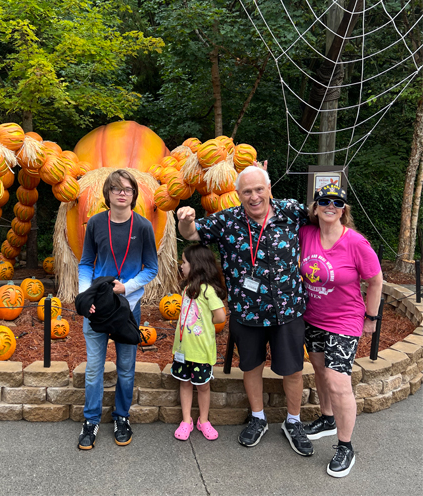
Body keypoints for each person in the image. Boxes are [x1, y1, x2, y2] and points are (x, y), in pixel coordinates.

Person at [177, 165, 314, 456]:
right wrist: (185, 220)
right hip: (247, 311)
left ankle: (293, 421)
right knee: (251, 366)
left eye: (259, 189)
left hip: (287, 310)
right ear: (238, 194)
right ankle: (258, 418)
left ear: (269, 189)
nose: (254, 196)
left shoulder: (290, 211)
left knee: (292, 370)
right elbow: (191, 234)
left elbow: (324, 215)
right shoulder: (227, 221)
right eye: (247, 191)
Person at [299, 184, 382, 477]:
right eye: (324, 201)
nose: (330, 206)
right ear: (316, 206)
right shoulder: (306, 233)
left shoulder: (356, 242)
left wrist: (371, 318)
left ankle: (345, 446)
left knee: (338, 381)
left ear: (344, 209)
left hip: (345, 321)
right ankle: (327, 419)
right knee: (320, 370)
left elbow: (375, 281)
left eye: (337, 202)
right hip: (314, 317)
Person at [77, 169, 158, 450]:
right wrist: (85, 295)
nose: (122, 193)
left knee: (125, 369)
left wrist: (128, 287)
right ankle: (91, 421)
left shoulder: (144, 227)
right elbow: (86, 262)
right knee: (94, 369)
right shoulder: (96, 223)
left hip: (128, 307)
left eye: (127, 189)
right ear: (108, 194)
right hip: (98, 306)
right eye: (116, 189)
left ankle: (121, 417)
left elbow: (152, 267)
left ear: (134, 194)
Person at [171, 244, 226, 441]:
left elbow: (220, 317)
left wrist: (203, 326)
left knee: (202, 386)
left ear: (196, 265)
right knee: (184, 383)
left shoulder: (207, 291)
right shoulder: (187, 288)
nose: (182, 266)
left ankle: (204, 420)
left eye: (184, 262)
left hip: (201, 351)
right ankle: (186, 420)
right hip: (184, 350)